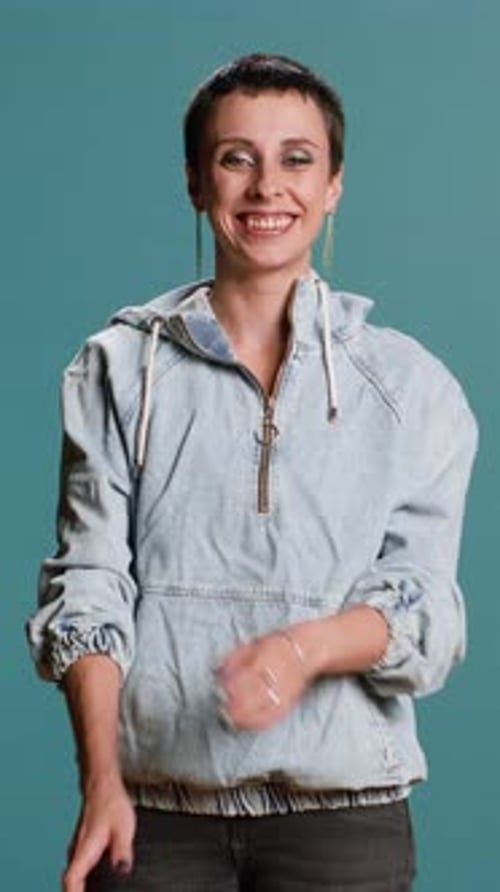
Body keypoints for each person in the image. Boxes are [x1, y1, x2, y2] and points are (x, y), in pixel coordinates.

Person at [27, 53, 477, 892]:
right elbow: (88, 587)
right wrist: (101, 784)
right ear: (198, 183)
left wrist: (304, 649)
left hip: (345, 821)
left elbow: (425, 609)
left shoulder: (413, 389)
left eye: (297, 159)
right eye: (238, 158)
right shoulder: (118, 369)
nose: (269, 186)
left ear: (335, 183)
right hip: (153, 819)